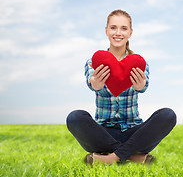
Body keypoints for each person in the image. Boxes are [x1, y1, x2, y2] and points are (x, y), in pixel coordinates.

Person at [66, 9, 176, 165]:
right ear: (106, 31)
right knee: (75, 117)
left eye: (124, 28)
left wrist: (141, 86)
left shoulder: (139, 62)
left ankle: (110, 158)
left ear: (130, 33)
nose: (118, 33)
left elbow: (144, 86)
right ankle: (131, 156)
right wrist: (95, 84)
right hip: (103, 134)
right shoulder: (94, 61)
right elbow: (91, 82)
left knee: (168, 115)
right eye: (113, 28)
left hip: (134, 132)